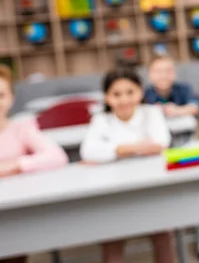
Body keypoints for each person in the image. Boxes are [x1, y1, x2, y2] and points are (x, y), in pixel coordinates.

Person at [80, 67, 174, 263]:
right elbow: (88, 151)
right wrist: (129, 148)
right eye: (116, 94)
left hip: (151, 190)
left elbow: (160, 143)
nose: (124, 100)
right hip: (113, 195)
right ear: (106, 97)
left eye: (130, 92)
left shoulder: (151, 113)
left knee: (163, 234)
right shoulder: (101, 120)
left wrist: (114, 150)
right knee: (112, 241)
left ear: (140, 92)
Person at [0, 64, 69, 263]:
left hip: (12, 213)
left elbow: (57, 156)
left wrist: (17, 165)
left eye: (1, 95)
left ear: (11, 98)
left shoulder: (21, 128)